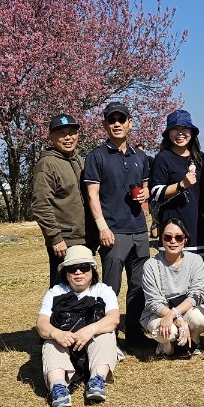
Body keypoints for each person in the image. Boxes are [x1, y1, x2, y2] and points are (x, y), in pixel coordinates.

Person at [83, 101, 151, 352]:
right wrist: (102, 227)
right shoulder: (96, 156)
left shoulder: (140, 157)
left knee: (139, 286)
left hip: (139, 230)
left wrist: (144, 195)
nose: (117, 124)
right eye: (112, 120)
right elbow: (92, 195)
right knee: (110, 289)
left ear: (129, 123)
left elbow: (144, 187)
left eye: (121, 119)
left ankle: (133, 334)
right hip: (113, 231)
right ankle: (106, 339)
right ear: (105, 125)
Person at [35, 245, 120, 407]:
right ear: (65, 273)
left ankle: (97, 380)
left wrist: (90, 330)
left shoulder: (103, 290)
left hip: (94, 347)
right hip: (66, 347)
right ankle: (58, 387)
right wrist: (56, 333)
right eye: (73, 269)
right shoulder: (55, 292)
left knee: (106, 334)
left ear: (92, 270)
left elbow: (114, 319)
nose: (78, 272)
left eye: (83, 267)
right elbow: (41, 323)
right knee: (50, 342)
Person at [140, 218, 204, 358]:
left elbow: (197, 294)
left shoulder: (195, 261)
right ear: (161, 239)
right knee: (167, 332)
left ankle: (194, 341)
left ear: (185, 239)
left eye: (178, 237)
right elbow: (153, 301)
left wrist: (174, 314)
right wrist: (179, 321)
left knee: (198, 318)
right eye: (168, 237)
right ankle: (166, 346)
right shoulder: (151, 265)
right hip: (159, 312)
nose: (173, 241)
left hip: (186, 309)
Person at [31, 114, 86, 287]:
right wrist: (55, 238)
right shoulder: (47, 164)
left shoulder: (79, 160)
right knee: (61, 290)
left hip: (83, 237)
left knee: (81, 287)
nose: (68, 137)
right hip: (64, 240)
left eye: (72, 132)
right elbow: (40, 205)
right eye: (61, 133)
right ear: (52, 137)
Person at [148, 109, 204, 259]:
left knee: (196, 275)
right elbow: (156, 192)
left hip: (198, 226)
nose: (180, 133)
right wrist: (181, 184)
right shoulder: (163, 158)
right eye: (175, 129)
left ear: (192, 132)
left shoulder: (202, 158)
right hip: (172, 228)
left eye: (184, 128)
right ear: (168, 133)